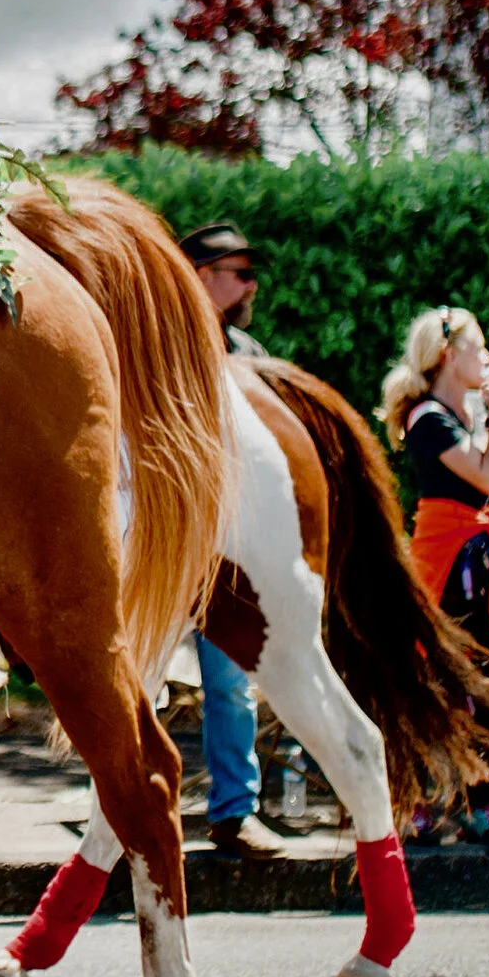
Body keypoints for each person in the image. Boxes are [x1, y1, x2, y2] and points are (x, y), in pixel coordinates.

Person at [379, 305, 489, 837]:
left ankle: (484, 792)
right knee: (435, 677)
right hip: (447, 560)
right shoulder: (426, 417)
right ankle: (418, 793)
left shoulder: (473, 412)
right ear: (449, 354)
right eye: (480, 346)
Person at [177, 222, 283, 857]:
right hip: (162, 539)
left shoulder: (249, 351)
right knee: (124, 683)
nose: (251, 284)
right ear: (201, 275)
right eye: (239, 273)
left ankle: (235, 812)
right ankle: (119, 812)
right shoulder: (158, 343)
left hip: (230, 541)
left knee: (230, 681)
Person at [178, 221, 268, 359]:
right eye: (244, 275)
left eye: (253, 275)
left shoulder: (250, 352)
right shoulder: (163, 349)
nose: (252, 286)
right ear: (204, 276)